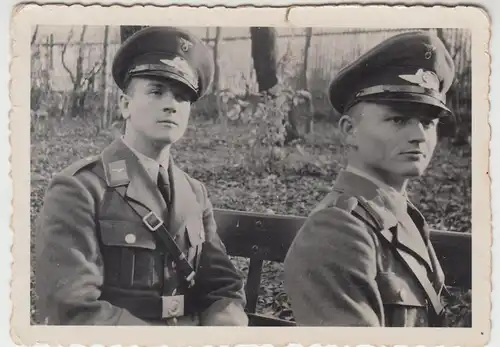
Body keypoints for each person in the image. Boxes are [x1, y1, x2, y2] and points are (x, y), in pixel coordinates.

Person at [35, 26, 248, 326]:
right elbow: (73, 308)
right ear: (125, 105)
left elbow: (223, 287)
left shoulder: (194, 193)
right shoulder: (80, 189)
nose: (171, 105)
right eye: (156, 91)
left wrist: (224, 329)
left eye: (182, 96)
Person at [284, 31, 455, 327]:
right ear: (350, 130)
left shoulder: (402, 215)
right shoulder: (337, 231)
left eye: (428, 123)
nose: (418, 135)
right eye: (397, 119)